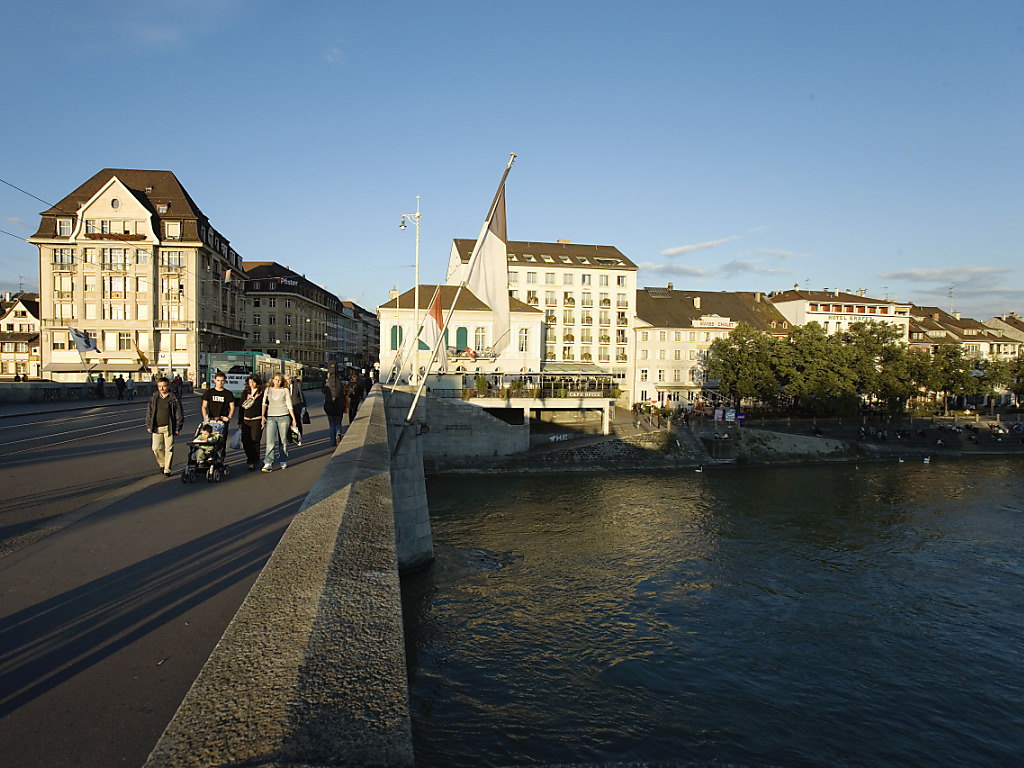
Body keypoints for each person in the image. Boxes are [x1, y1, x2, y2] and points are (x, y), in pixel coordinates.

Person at [146, 376, 184, 477]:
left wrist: (178, 427)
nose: (162, 388)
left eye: (164, 386)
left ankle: (167, 469)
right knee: (156, 448)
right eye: (160, 386)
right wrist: (149, 424)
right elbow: (150, 412)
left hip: (169, 427)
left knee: (169, 448)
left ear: (168, 386)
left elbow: (178, 413)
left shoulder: (173, 398)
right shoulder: (154, 398)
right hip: (156, 426)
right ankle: (163, 464)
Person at [261, 373, 296, 472]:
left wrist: (293, 419)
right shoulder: (268, 390)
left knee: (283, 440)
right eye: (276, 379)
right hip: (271, 417)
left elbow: (289, 404)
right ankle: (268, 462)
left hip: (283, 417)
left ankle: (283, 459)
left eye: (279, 380)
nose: (277, 382)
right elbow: (264, 403)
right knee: (270, 441)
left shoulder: (285, 390)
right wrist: (263, 415)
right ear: (272, 380)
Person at [238, 374, 265, 471]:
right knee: (245, 440)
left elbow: (265, 406)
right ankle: (250, 457)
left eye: (253, 382)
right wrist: (240, 420)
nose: (251, 384)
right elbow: (241, 407)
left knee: (255, 440)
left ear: (257, 383)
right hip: (246, 420)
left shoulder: (262, 393)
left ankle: (254, 461)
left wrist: (263, 418)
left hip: (257, 420)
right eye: (250, 382)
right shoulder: (245, 393)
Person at [322, 362, 346, 446]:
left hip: (329, 407)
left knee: (332, 424)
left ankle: (332, 442)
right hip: (339, 407)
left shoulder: (327, 383)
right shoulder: (339, 382)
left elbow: (324, 393)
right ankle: (338, 434)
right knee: (338, 423)